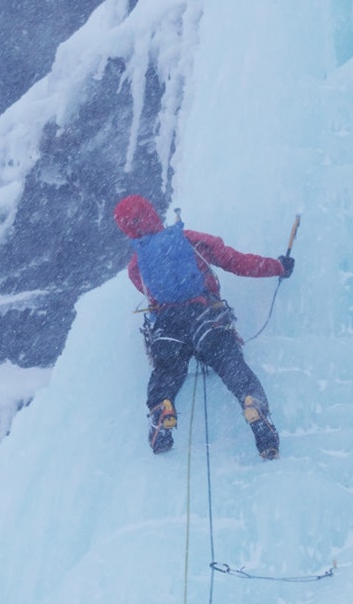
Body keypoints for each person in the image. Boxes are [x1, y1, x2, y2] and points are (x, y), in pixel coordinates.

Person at [113, 195, 294, 459]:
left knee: (167, 371)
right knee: (232, 366)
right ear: (151, 213)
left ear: (127, 229)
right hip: (205, 318)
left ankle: (161, 411)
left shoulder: (136, 264)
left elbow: (151, 296)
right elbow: (235, 261)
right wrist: (277, 266)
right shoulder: (189, 239)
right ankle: (252, 407)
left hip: (168, 328)